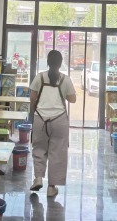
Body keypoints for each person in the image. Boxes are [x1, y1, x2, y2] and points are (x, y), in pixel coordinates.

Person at [29, 50, 76, 197]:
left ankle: (38, 178)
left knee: (39, 149)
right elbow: (73, 99)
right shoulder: (65, 79)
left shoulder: (39, 77)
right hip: (59, 120)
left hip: (40, 119)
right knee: (58, 152)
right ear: (61, 63)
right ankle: (51, 187)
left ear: (47, 62)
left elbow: (32, 97)